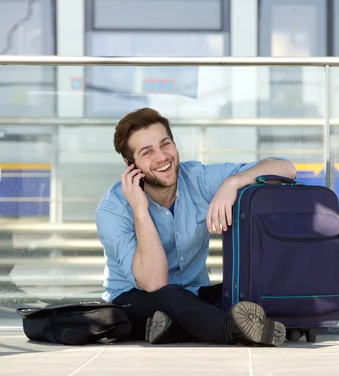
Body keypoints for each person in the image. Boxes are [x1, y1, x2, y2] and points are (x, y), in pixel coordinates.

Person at [95, 107, 297, 346]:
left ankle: (176, 329)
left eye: (165, 144)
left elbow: (286, 169)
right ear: (130, 164)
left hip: (194, 294)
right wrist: (140, 209)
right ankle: (231, 329)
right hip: (133, 301)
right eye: (147, 152)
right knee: (171, 298)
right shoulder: (112, 210)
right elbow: (155, 283)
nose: (162, 157)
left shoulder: (196, 179)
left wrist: (233, 182)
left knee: (246, 289)